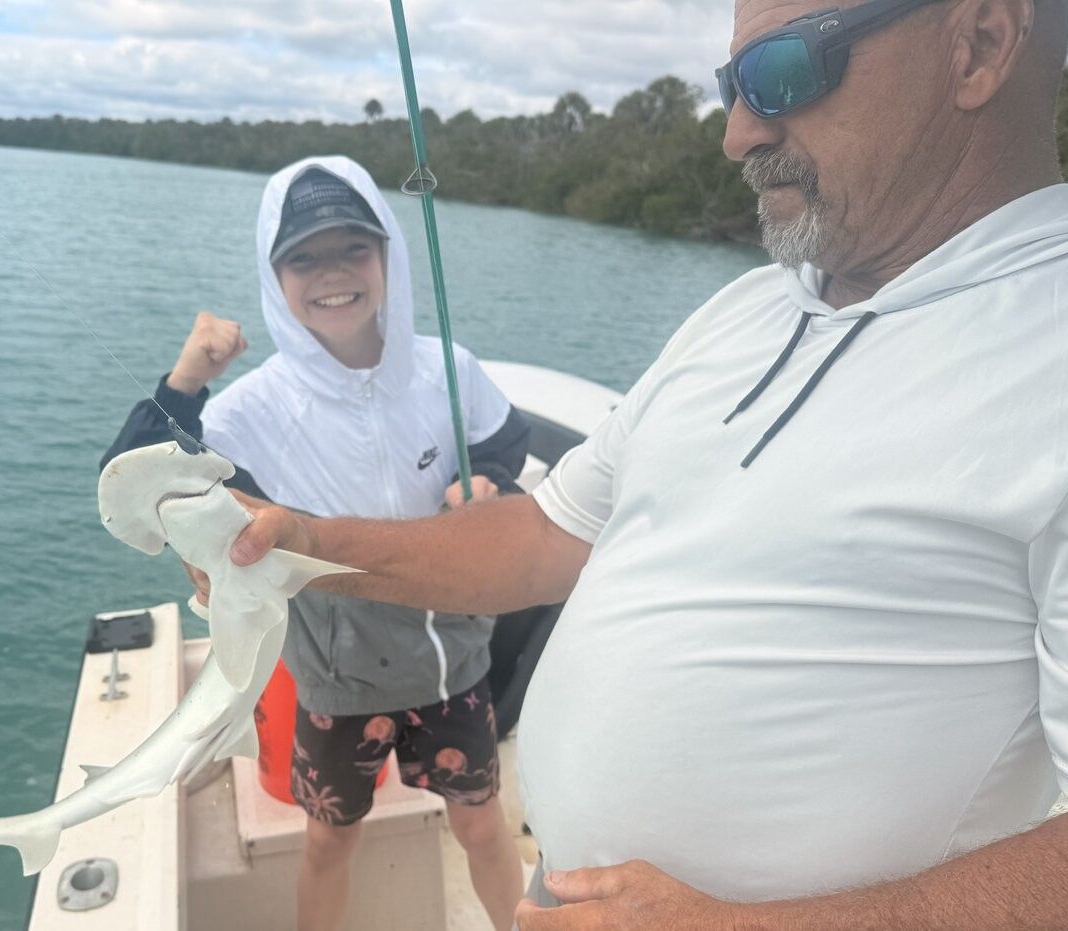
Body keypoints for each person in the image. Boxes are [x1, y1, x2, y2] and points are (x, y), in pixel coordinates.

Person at [214, 1, 1068, 928]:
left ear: (978, 44)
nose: (740, 133)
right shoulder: (744, 308)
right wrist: (302, 543)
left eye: (783, 72)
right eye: (732, 88)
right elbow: (545, 535)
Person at [102, 155, 528, 930]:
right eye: (304, 258)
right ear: (275, 277)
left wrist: (488, 481)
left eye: (352, 250)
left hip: (453, 659)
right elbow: (128, 482)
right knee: (330, 841)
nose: (332, 274)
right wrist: (187, 380)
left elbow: (505, 438)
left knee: (481, 824)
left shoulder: (449, 369)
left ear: (388, 256)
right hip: (339, 676)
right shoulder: (251, 411)